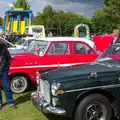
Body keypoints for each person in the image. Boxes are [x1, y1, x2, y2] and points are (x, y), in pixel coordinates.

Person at [0, 41, 16, 109]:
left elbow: (8, 57)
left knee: (7, 87)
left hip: (4, 70)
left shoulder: (3, 45)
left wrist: (7, 67)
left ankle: (10, 102)